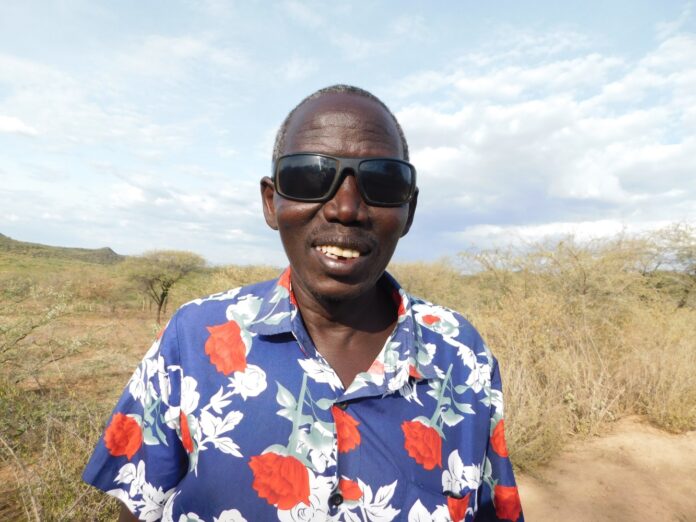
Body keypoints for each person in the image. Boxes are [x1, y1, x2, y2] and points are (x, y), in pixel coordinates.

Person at [83, 85, 523, 522]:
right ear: (271, 202)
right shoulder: (194, 338)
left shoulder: (460, 353)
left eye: (382, 182)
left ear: (408, 209)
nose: (346, 208)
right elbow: (138, 509)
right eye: (310, 177)